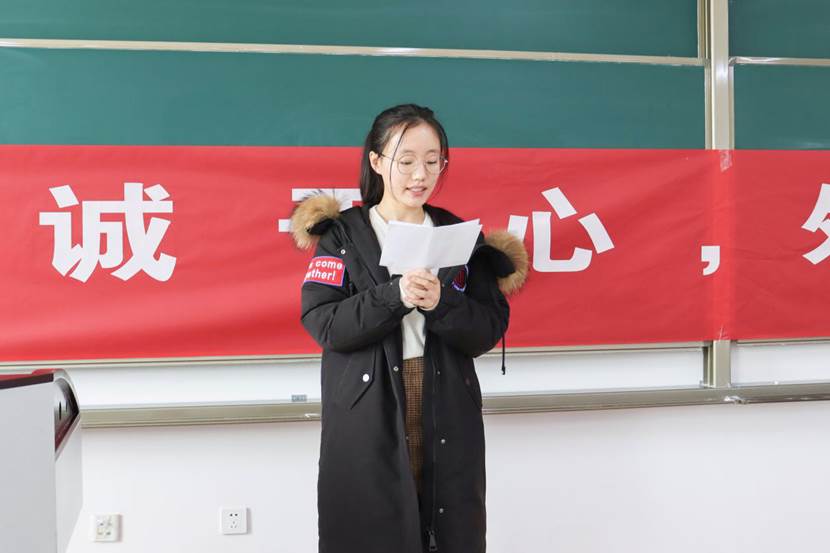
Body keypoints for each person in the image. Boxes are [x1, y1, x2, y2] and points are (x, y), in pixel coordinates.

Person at [291, 104, 527, 553]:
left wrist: (442, 303)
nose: (421, 175)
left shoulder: (459, 236)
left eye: (433, 161)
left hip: (446, 402)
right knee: (370, 530)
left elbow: (487, 328)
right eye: (406, 161)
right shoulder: (343, 236)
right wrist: (394, 295)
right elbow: (324, 323)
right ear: (377, 162)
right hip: (369, 407)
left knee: (449, 527)